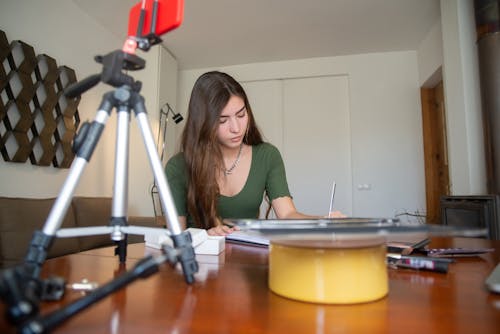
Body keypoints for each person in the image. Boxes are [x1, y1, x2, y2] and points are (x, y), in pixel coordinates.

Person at [165, 71, 343, 236]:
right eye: (222, 120)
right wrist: (205, 236)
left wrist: (323, 221)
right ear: (203, 123)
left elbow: (287, 213)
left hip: (248, 258)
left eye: (241, 115)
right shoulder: (178, 167)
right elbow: (176, 236)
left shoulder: (267, 156)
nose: (236, 128)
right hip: (200, 263)